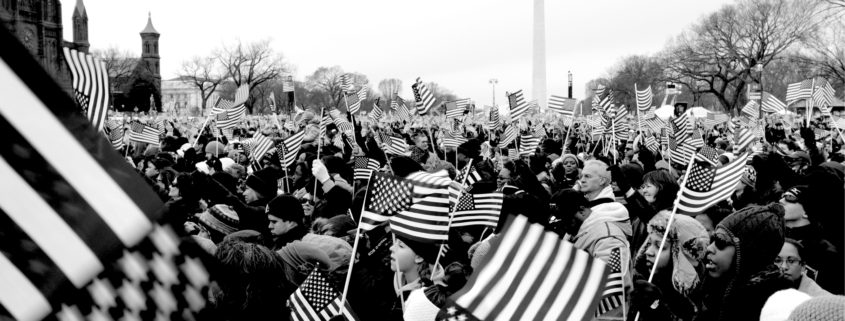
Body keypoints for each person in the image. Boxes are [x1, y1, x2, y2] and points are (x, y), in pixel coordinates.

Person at [700, 204, 790, 321]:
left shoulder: (772, 308)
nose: (709, 248)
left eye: (720, 242)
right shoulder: (712, 287)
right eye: (712, 240)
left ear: (749, 252)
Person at [571, 160, 633, 318]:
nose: (582, 180)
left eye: (588, 176)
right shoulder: (587, 208)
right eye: (582, 176)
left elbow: (612, 282)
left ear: (603, 180)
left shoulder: (611, 214)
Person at [630, 212, 709, 321]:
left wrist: (658, 309)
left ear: (680, 255)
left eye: (660, 246)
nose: (648, 252)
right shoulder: (640, 284)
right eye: (649, 244)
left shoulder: (698, 295)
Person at [779, 185, 842, 294]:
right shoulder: (771, 236)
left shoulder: (826, 253)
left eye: (790, 197)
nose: (781, 201)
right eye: (782, 196)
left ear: (806, 212)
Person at [266, 194, 352, 269]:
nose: (270, 226)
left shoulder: (316, 246)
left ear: (291, 222)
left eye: (274, 222)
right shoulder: (290, 246)